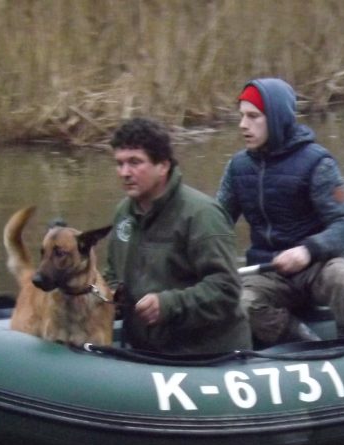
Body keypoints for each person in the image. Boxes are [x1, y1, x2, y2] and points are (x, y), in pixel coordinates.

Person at [216, 77, 344, 345]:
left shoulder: (317, 163)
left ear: (275, 118)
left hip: (317, 266)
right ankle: (305, 341)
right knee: (241, 304)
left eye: (253, 117)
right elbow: (215, 223)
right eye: (241, 116)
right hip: (267, 272)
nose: (243, 125)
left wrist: (307, 250)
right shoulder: (238, 167)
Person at [104, 117, 251, 354]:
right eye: (119, 163)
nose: (124, 173)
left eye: (134, 162)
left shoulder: (201, 215)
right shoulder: (123, 213)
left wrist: (168, 305)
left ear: (163, 166)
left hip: (206, 355)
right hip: (147, 350)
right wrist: (108, 294)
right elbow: (113, 273)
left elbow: (227, 289)